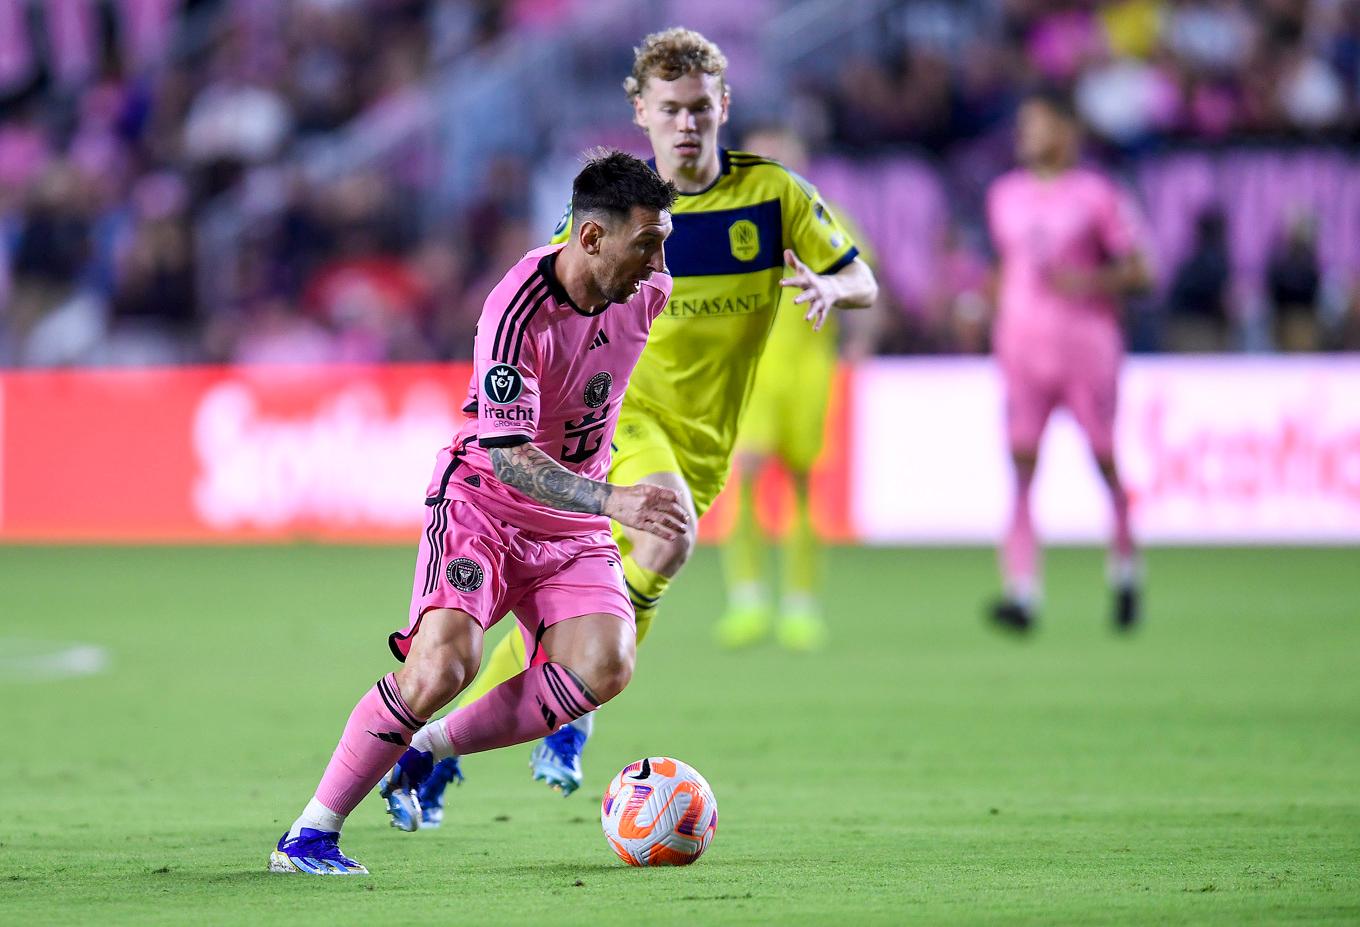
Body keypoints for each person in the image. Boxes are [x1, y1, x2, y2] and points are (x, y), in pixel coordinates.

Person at [409, 27, 878, 815]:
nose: (687, 124)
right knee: (669, 537)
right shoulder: (620, 210)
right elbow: (549, 297)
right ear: (642, 111)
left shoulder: (774, 194)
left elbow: (856, 271)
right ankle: (571, 717)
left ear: (723, 105)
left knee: (592, 614)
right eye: (670, 109)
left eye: (700, 107)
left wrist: (837, 291)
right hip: (622, 421)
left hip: (707, 436)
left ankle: (438, 747)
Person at [268, 149, 685, 874]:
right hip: (484, 507)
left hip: (571, 524)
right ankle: (308, 834)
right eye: (646, 243)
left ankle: (427, 750)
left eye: (663, 242)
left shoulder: (647, 290)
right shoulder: (514, 307)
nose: (657, 262)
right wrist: (617, 498)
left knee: (607, 663)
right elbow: (509, 455)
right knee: (441, 668)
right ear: (590, 239)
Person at [985, 90, 1152, 634]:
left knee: (1104, 460)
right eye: (1023, 125)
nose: (1025, 135)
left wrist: (1089, 282)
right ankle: (1022, 592)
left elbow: (1142, 271)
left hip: (1086, 348)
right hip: (1021, 352)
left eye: (1036, 125)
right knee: (1021, 466)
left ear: (1066, 131)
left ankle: (1126, 567)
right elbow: (1008, 269)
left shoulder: (1097, 195)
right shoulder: (1003, 196)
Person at [715, 123, 880, 652]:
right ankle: (747, 600)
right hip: (751, 371)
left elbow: (863, 282)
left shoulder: (824, 219)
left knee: (805, 483)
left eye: (784, 152)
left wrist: (861, 343)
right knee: (746, 474)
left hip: (810, 368)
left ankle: (801, 606)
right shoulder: (726, 220)